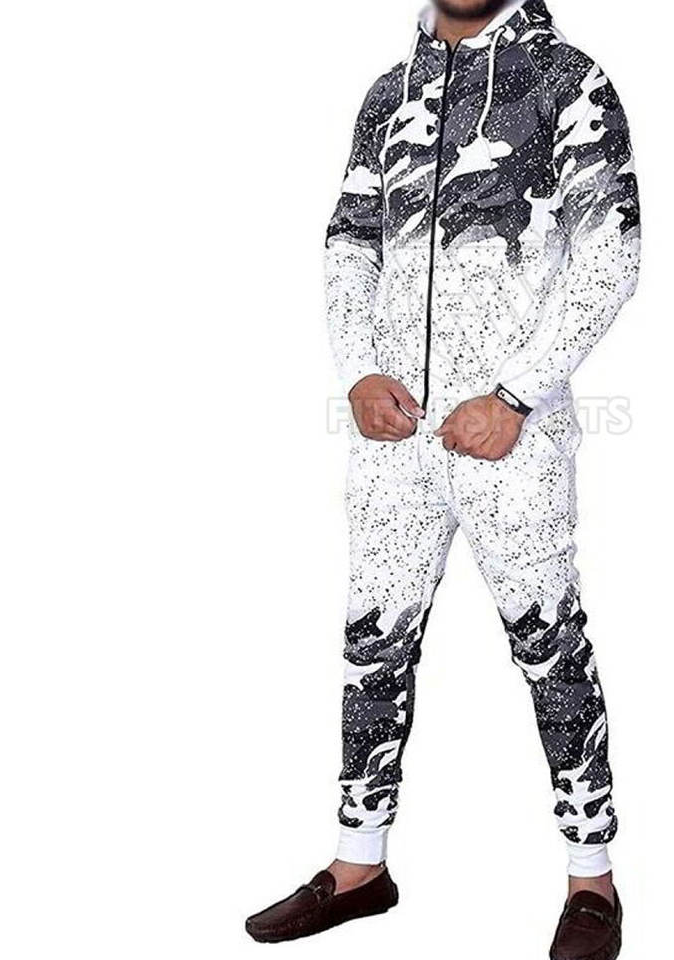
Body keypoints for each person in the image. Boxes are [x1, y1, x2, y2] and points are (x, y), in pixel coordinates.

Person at [246, 0, 639, 956]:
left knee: (549, 644)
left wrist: (514, 394)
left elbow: (614, 249)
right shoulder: (390, 96)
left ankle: (593, 882)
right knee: (371, 643)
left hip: (514, 438)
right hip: (394, 439)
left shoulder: (567, 81)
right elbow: (349, 242)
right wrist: (358, 371)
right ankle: (359, 866)